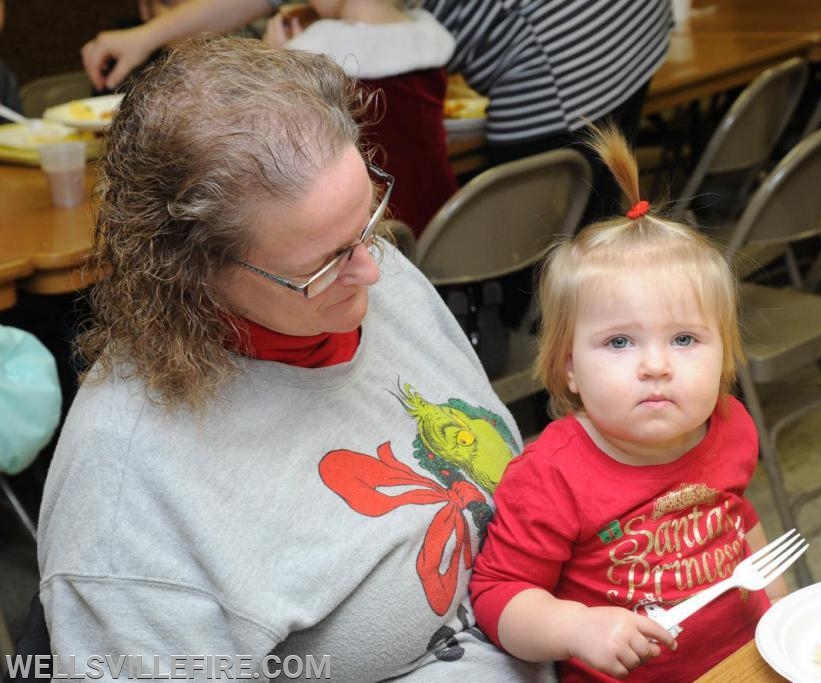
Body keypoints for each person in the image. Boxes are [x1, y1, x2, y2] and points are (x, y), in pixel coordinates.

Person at [38, 35, 551, 681]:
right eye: (326, 261)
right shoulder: (128, 495)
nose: (370, 268)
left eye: (367, 221)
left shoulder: (362, 276)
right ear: (191, 271)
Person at [467, 127, 788, 682]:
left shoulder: (729, 425)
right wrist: (576, 628)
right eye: (619, 342)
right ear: (569, 366)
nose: (656, 365)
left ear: (725, 353)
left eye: (684, 339)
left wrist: (782, 616)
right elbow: (497, 596)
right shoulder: (552, 476)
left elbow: (737, 520)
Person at [80, 0, 673, 216]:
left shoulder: (321, 47)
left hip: (561, 53)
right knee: (569, 222)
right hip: (631, 29)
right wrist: (148, 35)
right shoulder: (423, 36)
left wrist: (274, 53)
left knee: (546, 233)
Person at [262, 0, 458, 236]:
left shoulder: (314, 50)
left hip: (373, 224)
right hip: (444, 216)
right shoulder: (429, 34)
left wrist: (275, 59)